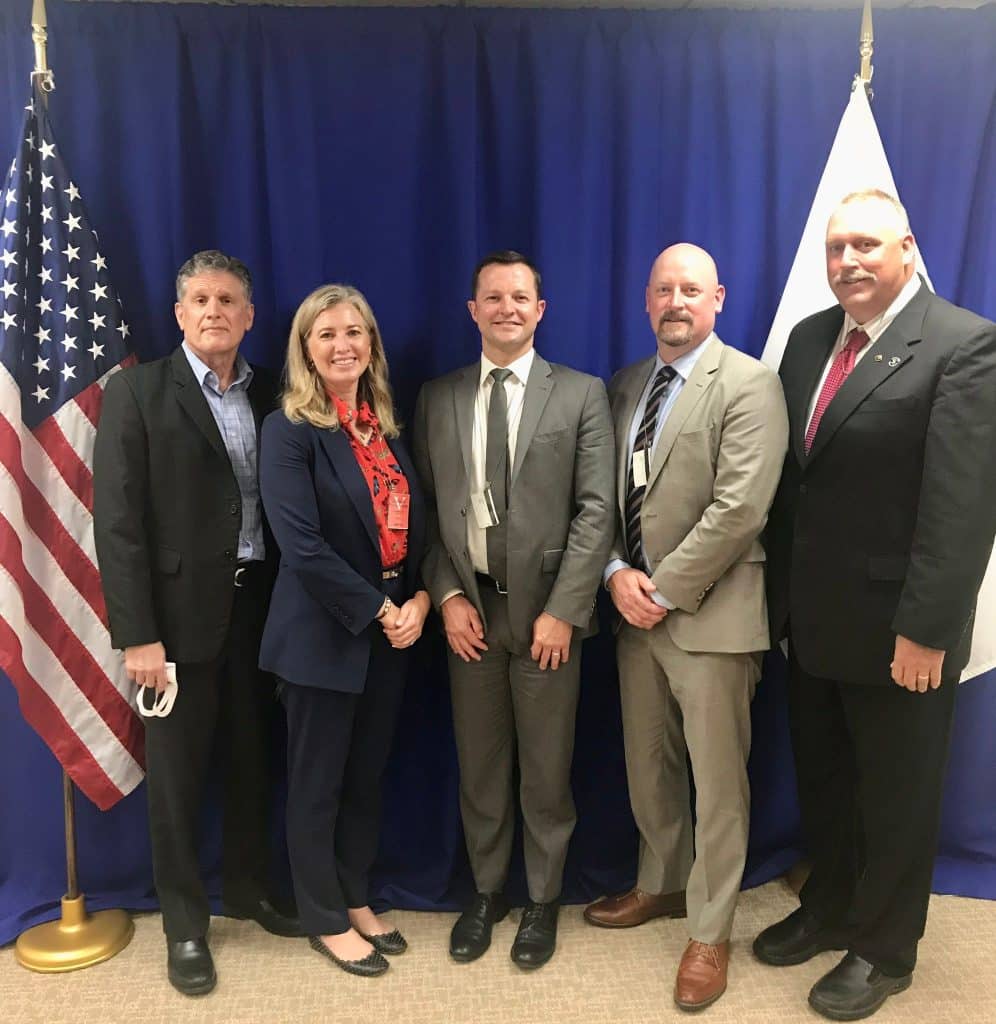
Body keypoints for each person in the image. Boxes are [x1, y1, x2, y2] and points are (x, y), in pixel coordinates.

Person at [754, 190, 996, 1021]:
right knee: (826, 781)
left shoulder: (963, 345)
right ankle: (830, 908)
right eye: (835, 247)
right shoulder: (810, 337)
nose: (848, 261)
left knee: (896, 794)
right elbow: (795, 480)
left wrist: (927, 630)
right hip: (811, 620)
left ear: (907, 248)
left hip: (903, 631)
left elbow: (962, 509)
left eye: (865, 244)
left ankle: (885, 949)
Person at [584, 244, 788, 1011]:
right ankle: (662, 884)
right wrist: (614, 576)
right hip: (632, 613)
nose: (677, 300)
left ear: (719, 298)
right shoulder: (626, 385)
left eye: (691, 289)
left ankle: (710, 928)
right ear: (646, 301)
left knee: (718, 783)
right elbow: (598, 499)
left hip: (711, 617)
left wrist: (661, 590)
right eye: (664, 288)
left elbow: (740, 508)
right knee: (649, 766)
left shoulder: (750, 383)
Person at [93, 250, 300, 997]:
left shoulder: (276, 392)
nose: (214, 311)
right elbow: (117, 525)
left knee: (253, 759)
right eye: (200, 300)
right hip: (174, 626)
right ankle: (185, 925)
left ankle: (248, 890)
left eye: (229, 300)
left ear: (249, 316)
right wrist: (137, 634)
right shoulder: (139, 392)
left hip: (263, 609)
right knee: (177, 781)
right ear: (179, 314)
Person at [413, 250, 615, 969]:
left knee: (545, 770)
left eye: (520, 297)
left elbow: (598, 512)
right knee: (481, 766)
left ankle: (541, 900)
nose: (506, 308)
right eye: (492, 297)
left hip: (546, 621)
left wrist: (565, 609)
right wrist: (446, 596)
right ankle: (487, 893)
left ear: (541, 309)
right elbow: (426, 514)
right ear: (473, 310)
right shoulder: (438, 397)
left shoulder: (581, 395)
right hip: (471, 615)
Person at [258, 284, 429, 978]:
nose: (342, 345)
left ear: (371, 345)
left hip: (391, 632)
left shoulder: (384, 426)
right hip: (323, 636)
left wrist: (417, 596)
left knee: (365, 778)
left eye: (354, 332)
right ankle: (323, 916)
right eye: (326, 333)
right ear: (305, 348)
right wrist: (383, 610)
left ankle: (354, 895)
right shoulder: (289, 430)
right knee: (317, 783)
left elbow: (415, 524)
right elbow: (301, 548)